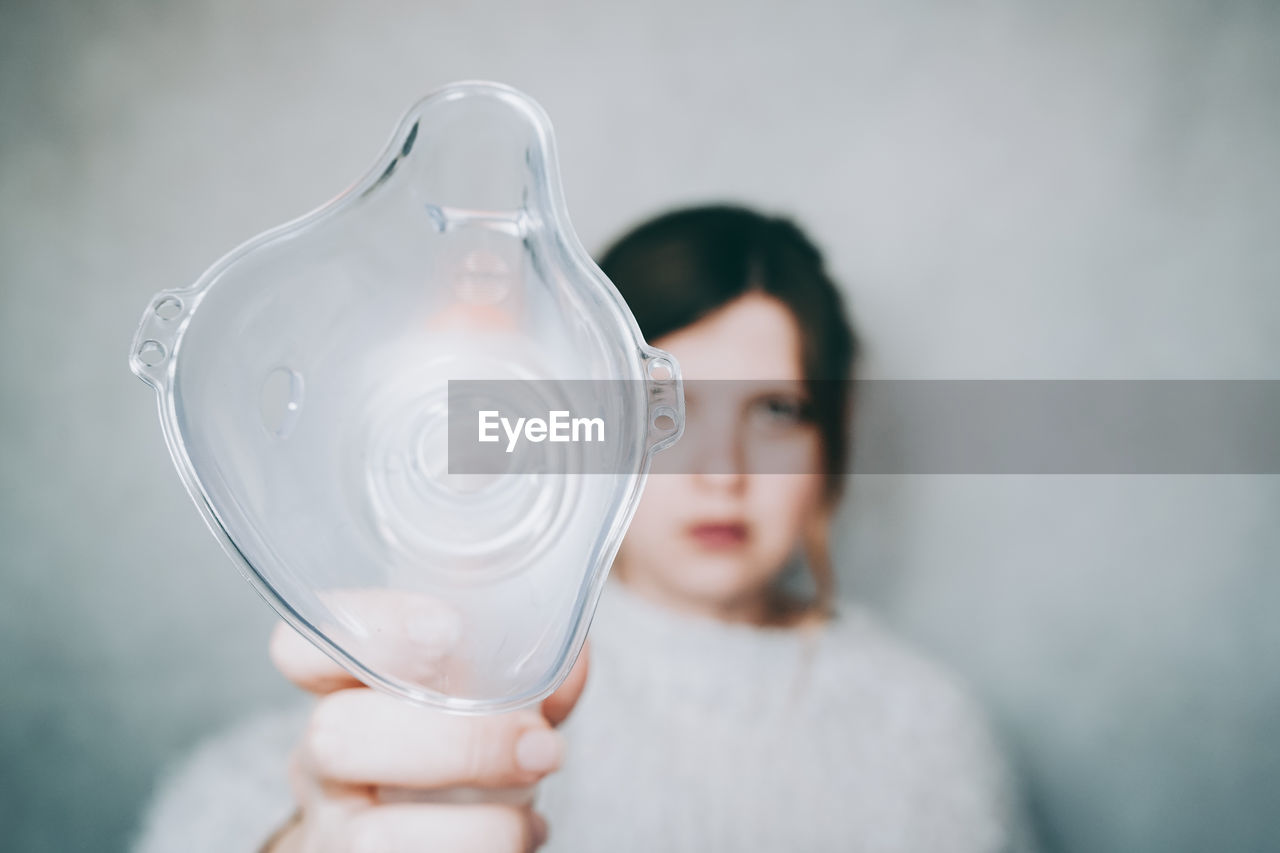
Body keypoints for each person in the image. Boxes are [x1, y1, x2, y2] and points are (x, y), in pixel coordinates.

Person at [132, 205, 1037, 852]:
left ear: (829, 454)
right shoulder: (475, 672)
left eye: (776, 410)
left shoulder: (926, 731)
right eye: (670, 410)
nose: (721, 470)